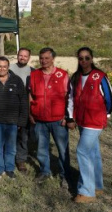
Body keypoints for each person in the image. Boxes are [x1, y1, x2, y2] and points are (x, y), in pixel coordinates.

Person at [68, 47, 112, 204]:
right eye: (81, 58)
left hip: (94, 122)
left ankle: (87, 191)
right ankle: (96, 185)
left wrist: (106, 114)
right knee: (93, 152)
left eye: (87, 58)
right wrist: (72, 117)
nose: (84, 61)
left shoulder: (99, 76)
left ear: (92, 58)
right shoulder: (76, 77)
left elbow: (111, 99)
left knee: (82, 151)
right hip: (82, 121)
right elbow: (71, 99)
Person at [29, 47, 72, 186]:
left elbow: (69, 97)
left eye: (47, 58)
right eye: (41, 58)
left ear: (53, 58)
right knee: (41, 149)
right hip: (40, 119)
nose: (44, 61)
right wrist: (31, 113)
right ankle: (44, 171)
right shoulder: (34, 75)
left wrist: (68, 117)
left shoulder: (63, 75)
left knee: (62, 149)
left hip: (59, 120)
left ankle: (65, 174)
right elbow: (30, 96)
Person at [0, 56, 28, 179]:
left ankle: (10, 168)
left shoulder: (16, 80)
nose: (2, 69)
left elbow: (23, 101)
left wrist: (21, 121)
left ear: (8, 67)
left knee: (11, 147)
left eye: (4, 66)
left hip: (12, 121)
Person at [10, 47, 34, 172]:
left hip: (25, 109)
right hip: (10, 108)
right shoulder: (9, 69)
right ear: (17, 55)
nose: (22, 57)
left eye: (25, 56)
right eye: (21, 55)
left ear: (29, 58)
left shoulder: (33, 72)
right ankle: (8, 157)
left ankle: (20, 160)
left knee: (23, 136)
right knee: (9, 134)